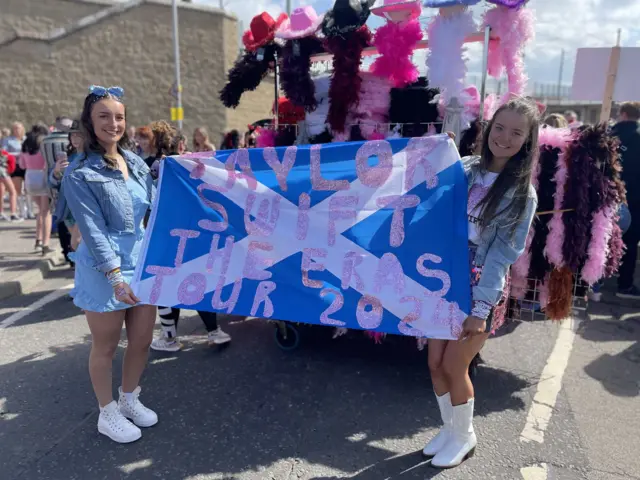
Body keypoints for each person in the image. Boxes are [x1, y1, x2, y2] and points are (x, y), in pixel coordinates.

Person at [423, 98, 539, 469]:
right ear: (489, 128)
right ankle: (449, 428)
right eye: (500, 128)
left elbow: (502, 255)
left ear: (527, 141)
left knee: (456, 366)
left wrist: (480, 309)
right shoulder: (467, 168)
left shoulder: (523, 193)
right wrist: (437, 155)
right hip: (446, 278)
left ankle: (464, 435)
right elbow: (430, 194)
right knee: (434, 363)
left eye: (516, 132)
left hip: (481, 287)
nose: (505, 137)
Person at [62, 86, 157, 444]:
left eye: (119, 116)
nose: (113, 123)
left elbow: (152, 206)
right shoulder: (79, 173)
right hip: (106, 269)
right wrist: (115, 277)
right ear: (90, 121)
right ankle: (107, 412)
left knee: (143, 340)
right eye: (104, 116)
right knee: (105, 346)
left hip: (142, 261)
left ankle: (129, 398)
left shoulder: (134, 162)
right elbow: (93, 231)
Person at [612, 102, 640, 299]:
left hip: (605, 195)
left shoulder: (607, 134)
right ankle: (624, 285)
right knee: (629, 241)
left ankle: (589, 284)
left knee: (599, 238)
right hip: (634, 198)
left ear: (623, 114)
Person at [51, 120, 84, 265]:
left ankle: (83, 275)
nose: (75, 139)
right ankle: (85, 276)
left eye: (78, 135)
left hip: (84, 206)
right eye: (72, 136)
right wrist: (57, 172)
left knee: (76, 242)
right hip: (68, 207)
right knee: (81, 245)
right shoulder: (68, 157)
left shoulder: (92, 157)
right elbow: (52, 183)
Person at [44, 116, 75, 261]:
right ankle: (72, 255)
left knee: (60, 218)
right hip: (61, 182)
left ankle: (67, 254)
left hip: (54, 181)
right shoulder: (68, 141)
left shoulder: (45, 141)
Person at [20, 125, 53, 254]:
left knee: (40, 211)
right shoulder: (44, 145)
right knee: (46, 213)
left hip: (29, 177)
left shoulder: (25, 147)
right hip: (42, 176)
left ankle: (38, 240)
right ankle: (45, 244)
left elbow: (22, 165)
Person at [2, 122, 32, 220]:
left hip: (27, 166)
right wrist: (19, 154)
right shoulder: (8, 140)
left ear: (22, 129)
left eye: (18, 128)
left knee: (28, 190)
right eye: (15, 128)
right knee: (18, 190)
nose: (17, 130)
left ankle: (30, 211)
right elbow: (4, 153)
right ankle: (22, 211)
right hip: (16, 166)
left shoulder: (27, 139)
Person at [0, 147, 19, 221]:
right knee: (13, 192)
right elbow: (12, 166)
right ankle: (13, 213)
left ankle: (1, 212)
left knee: (1, 194)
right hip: (4, 174)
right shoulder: (6, 155)